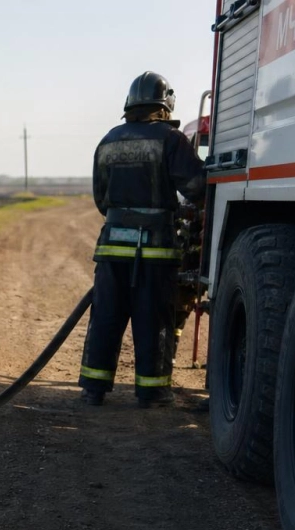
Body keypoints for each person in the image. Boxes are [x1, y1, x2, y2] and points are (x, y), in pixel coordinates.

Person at [79, 72, 206, 408]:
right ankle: (152, 392)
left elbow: (100, 198)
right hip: (156, 251)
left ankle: (93, 389)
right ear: (165, 105)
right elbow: (196, 188)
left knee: (106, 316)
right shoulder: (171, 139)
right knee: (154, 321)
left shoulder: (108, 140)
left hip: (111, 247)